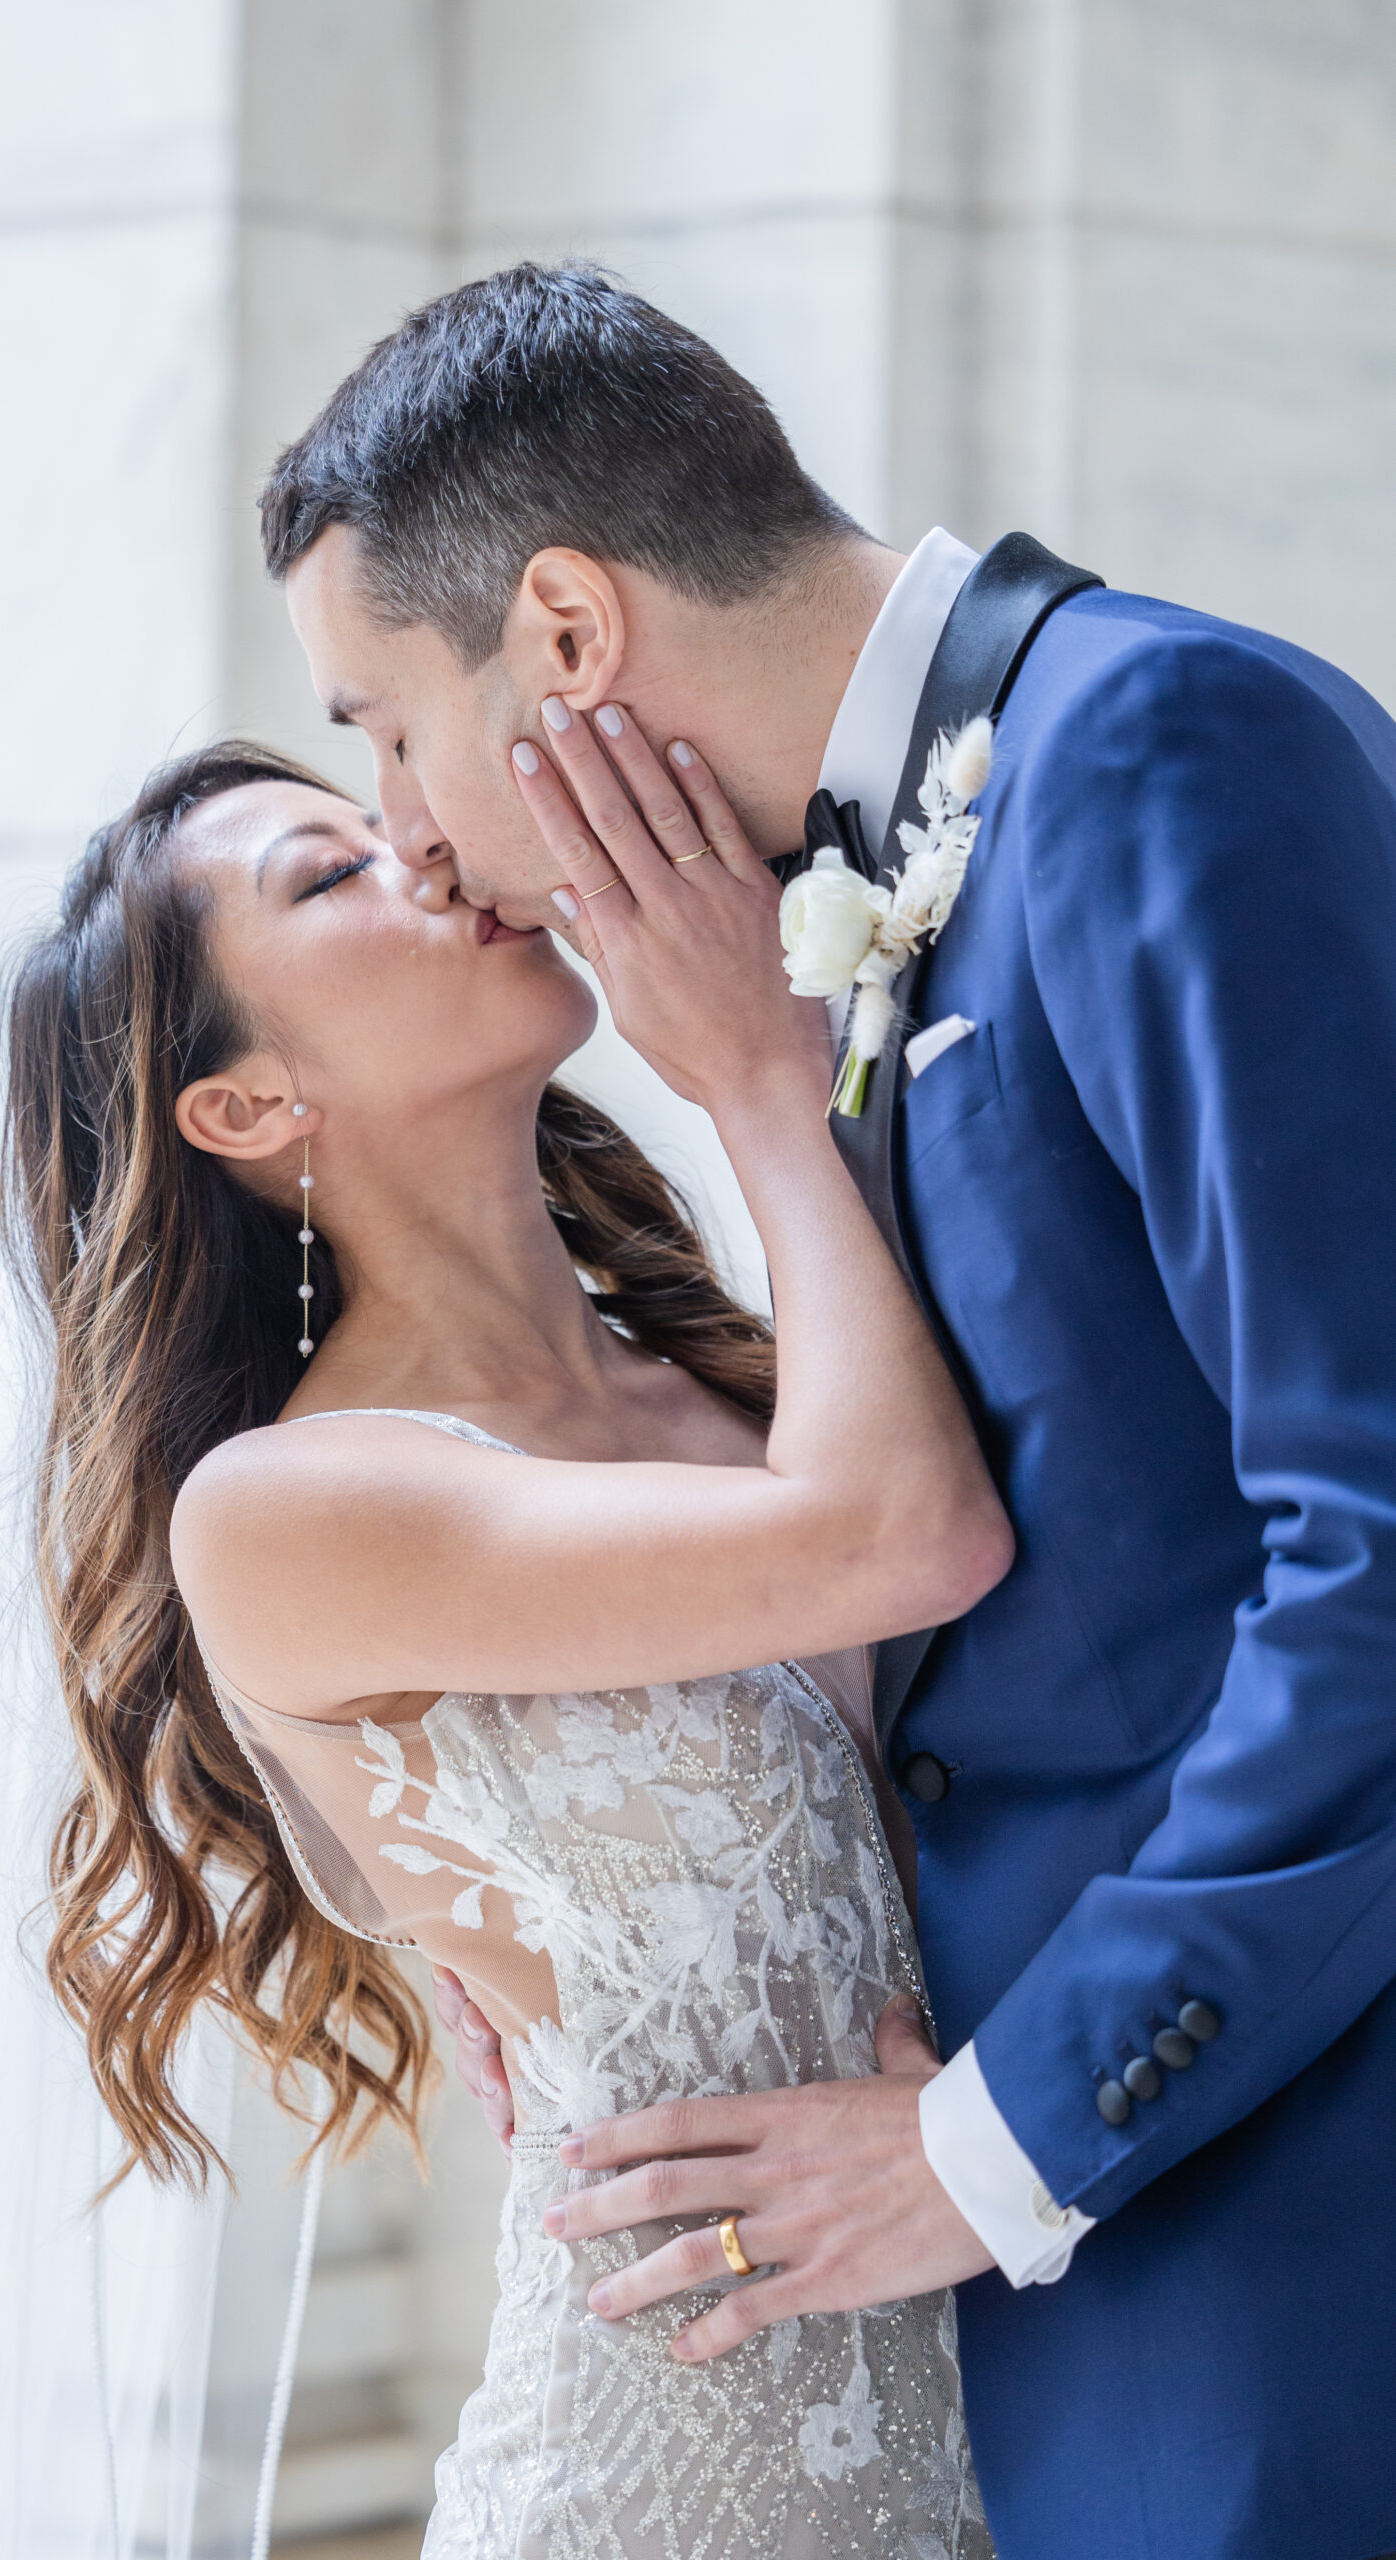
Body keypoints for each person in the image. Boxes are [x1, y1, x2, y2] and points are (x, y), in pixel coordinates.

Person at [257, 263, 1396, 2560]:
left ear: (563, 633)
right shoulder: (824, 911)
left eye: (383, 720)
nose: (404, 822)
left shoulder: (1154, 749)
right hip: (1026, 2286)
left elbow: (1366, 1529)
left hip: (1264, 2221)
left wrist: (1000, 2133)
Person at [1, 738, 1013, 2557]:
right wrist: (763, 1083)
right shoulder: (285, 1512)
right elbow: (910, 1543)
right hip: (659, 2481)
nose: (429, 855)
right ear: (245, 1108)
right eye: (331, 875)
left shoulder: (744, 1380)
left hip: (1015, 2415)